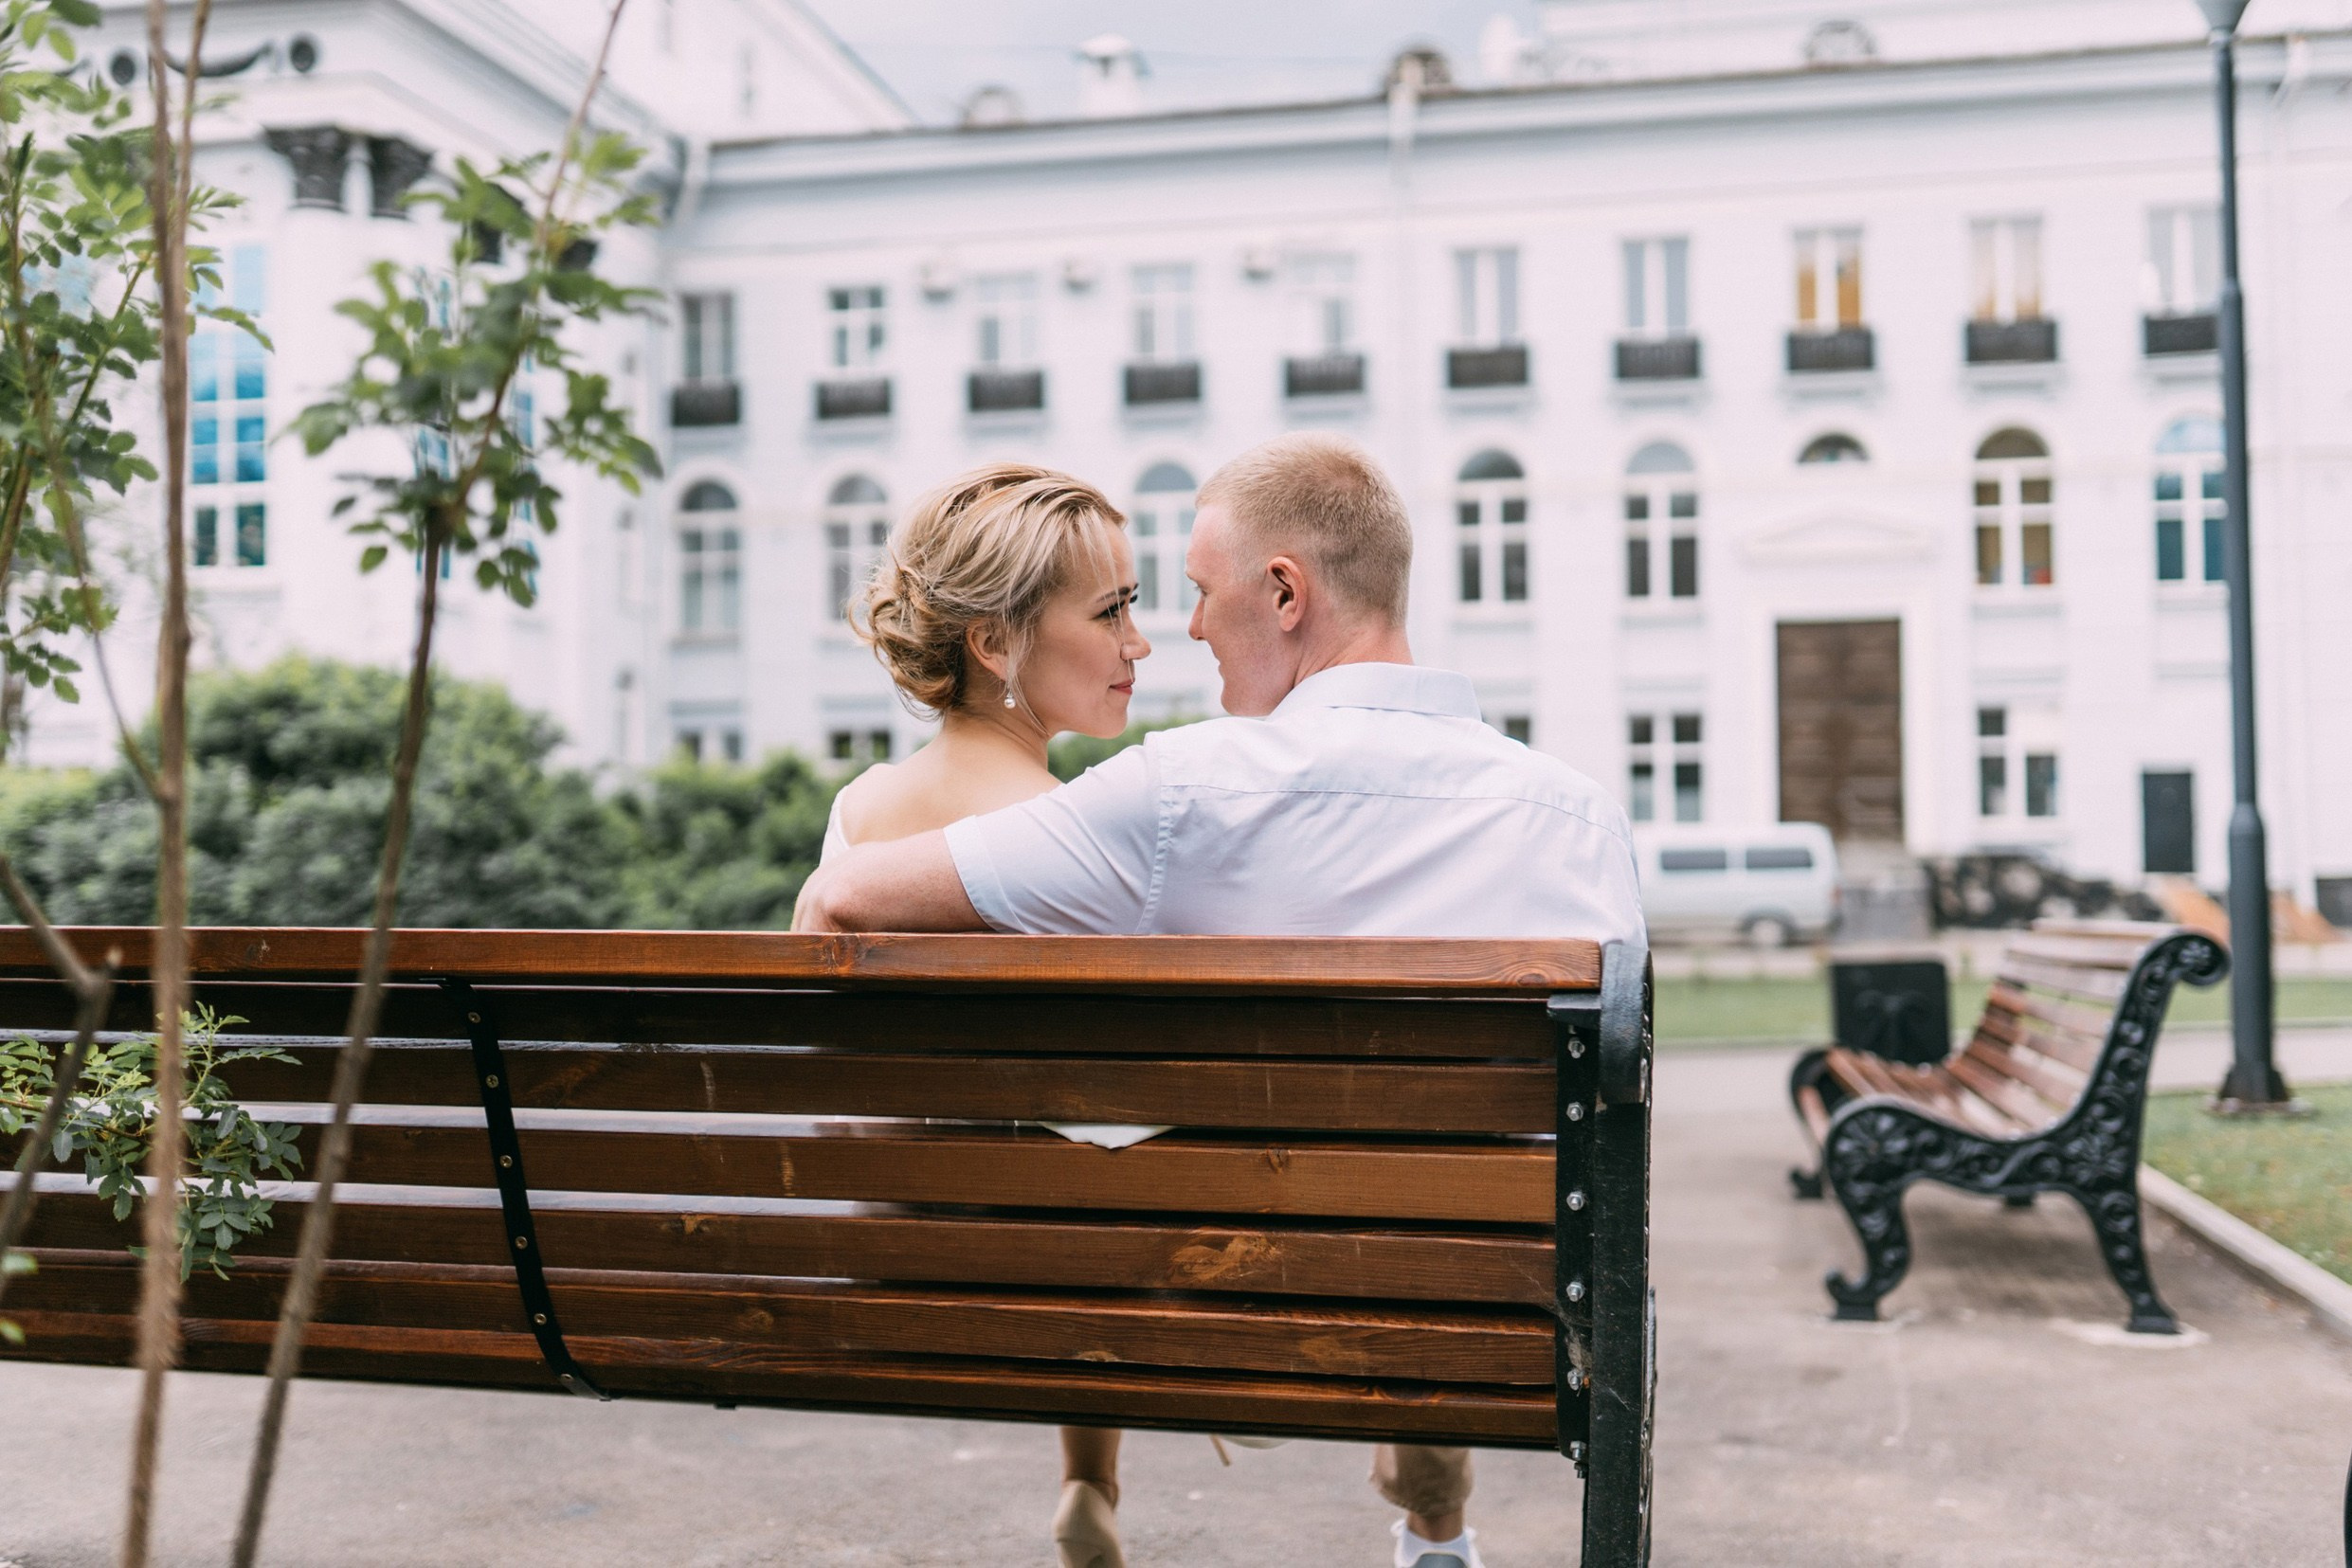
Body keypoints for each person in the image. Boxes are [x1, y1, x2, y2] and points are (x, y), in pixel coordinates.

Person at [796, 433, 1644, 1568]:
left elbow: (840, 904)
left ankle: (1115, 1468)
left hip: (1178, 1292)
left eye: (1192, 595)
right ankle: (1436, 1526)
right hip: (1485, 1312)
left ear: (1284, 593)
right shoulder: (1582, 820)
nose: (1177, 632)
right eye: (1131, 608)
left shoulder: (1182, 796)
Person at [792, 461, 1151, 1568]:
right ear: (995, 643)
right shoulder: (1078, 834)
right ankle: (1090, 1474)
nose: (1142, 643)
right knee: (1107, 1172)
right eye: (1112, 611)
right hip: (1075, 1267)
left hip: (894, 1246)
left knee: (1048, 1161)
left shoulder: (859, 811)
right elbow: (1131, 1117)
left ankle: (1089, 1477)